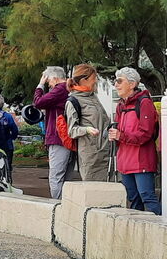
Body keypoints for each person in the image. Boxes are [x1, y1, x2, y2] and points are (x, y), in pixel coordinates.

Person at [108, 67, 161, 215]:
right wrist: (114, 134)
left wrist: (121, 136)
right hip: (125, 161)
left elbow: (146, 134)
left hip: (141, 160)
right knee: (133, 198)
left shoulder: (144, 103)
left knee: (147, 197)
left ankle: (161, 228)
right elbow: (120, 130)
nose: (116, 84)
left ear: (132, 84)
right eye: (115, 81)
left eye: (119, 81)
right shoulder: (120, 105)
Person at [34, 66, 76, 199]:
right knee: (66, 177)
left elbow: (38, 102)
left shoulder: (60, 89)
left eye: (49, 81)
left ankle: (57, 206)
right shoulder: (69, 89)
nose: (49, 85)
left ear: (55, 78)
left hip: (58, 137)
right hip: (68, 137)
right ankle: (65, 203)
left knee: (56, 176)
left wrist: (40, 85)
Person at [65, 64, 111, 181]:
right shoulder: (73, 101)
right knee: (93, 191)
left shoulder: (94, 97)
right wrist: (87, 129)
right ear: (83, 80)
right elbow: (71, 130)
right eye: (93, 78)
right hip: (90, 155)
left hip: (105, 152)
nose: (95, 81)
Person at [0, 95, 19, 175]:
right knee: (7, 166)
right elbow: (14, 129)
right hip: (7, 144)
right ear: (3, 104)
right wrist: (12, 137)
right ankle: (7, 182)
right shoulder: (7, 116)